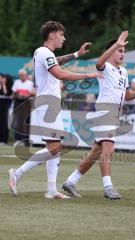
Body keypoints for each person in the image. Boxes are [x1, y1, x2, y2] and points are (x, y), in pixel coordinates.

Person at [8, 20, 102, 199]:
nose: (63, 38)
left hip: (49, 104)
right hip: (48, 104)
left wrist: (76, 54)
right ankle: (17, 173)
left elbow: (57, 62)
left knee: (54, 147)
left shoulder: (43, 53)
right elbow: (59, 74)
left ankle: (51, 189)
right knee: (55, 147)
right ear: (52, 35)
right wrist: (87, 74)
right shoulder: (44, 52)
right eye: (61, 35)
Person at [62, 31, 135, 200]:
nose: (122, 53)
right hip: (105, 110)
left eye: (123, 51)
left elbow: (127, 95)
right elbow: (99, 62)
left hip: (114, 113)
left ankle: (70, 181)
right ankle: (108, 187)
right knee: (108, 148)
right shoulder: (106, 66)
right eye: (120, 50)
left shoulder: (124, 72)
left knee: (97, 150)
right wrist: (117, 43)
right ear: (112, 51)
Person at [11, 69, 35, 146]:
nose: (21, 77)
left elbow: (33, 93)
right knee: (17, 122)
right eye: (20, 75)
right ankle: (18, 139)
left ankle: (25, 140)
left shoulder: (30, 83)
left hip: (26, 104)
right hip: (17, 103)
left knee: (25, 122)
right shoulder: (16, 82)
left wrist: (27, 95)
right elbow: (13, 94)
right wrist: (18, 96)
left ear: (26, 75)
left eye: (23, 75)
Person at [0, 73, 13, 144]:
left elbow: (6, 93)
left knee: (3, 122)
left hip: (4, 105)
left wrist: (4, 84)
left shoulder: (9, 85)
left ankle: (4, 140)